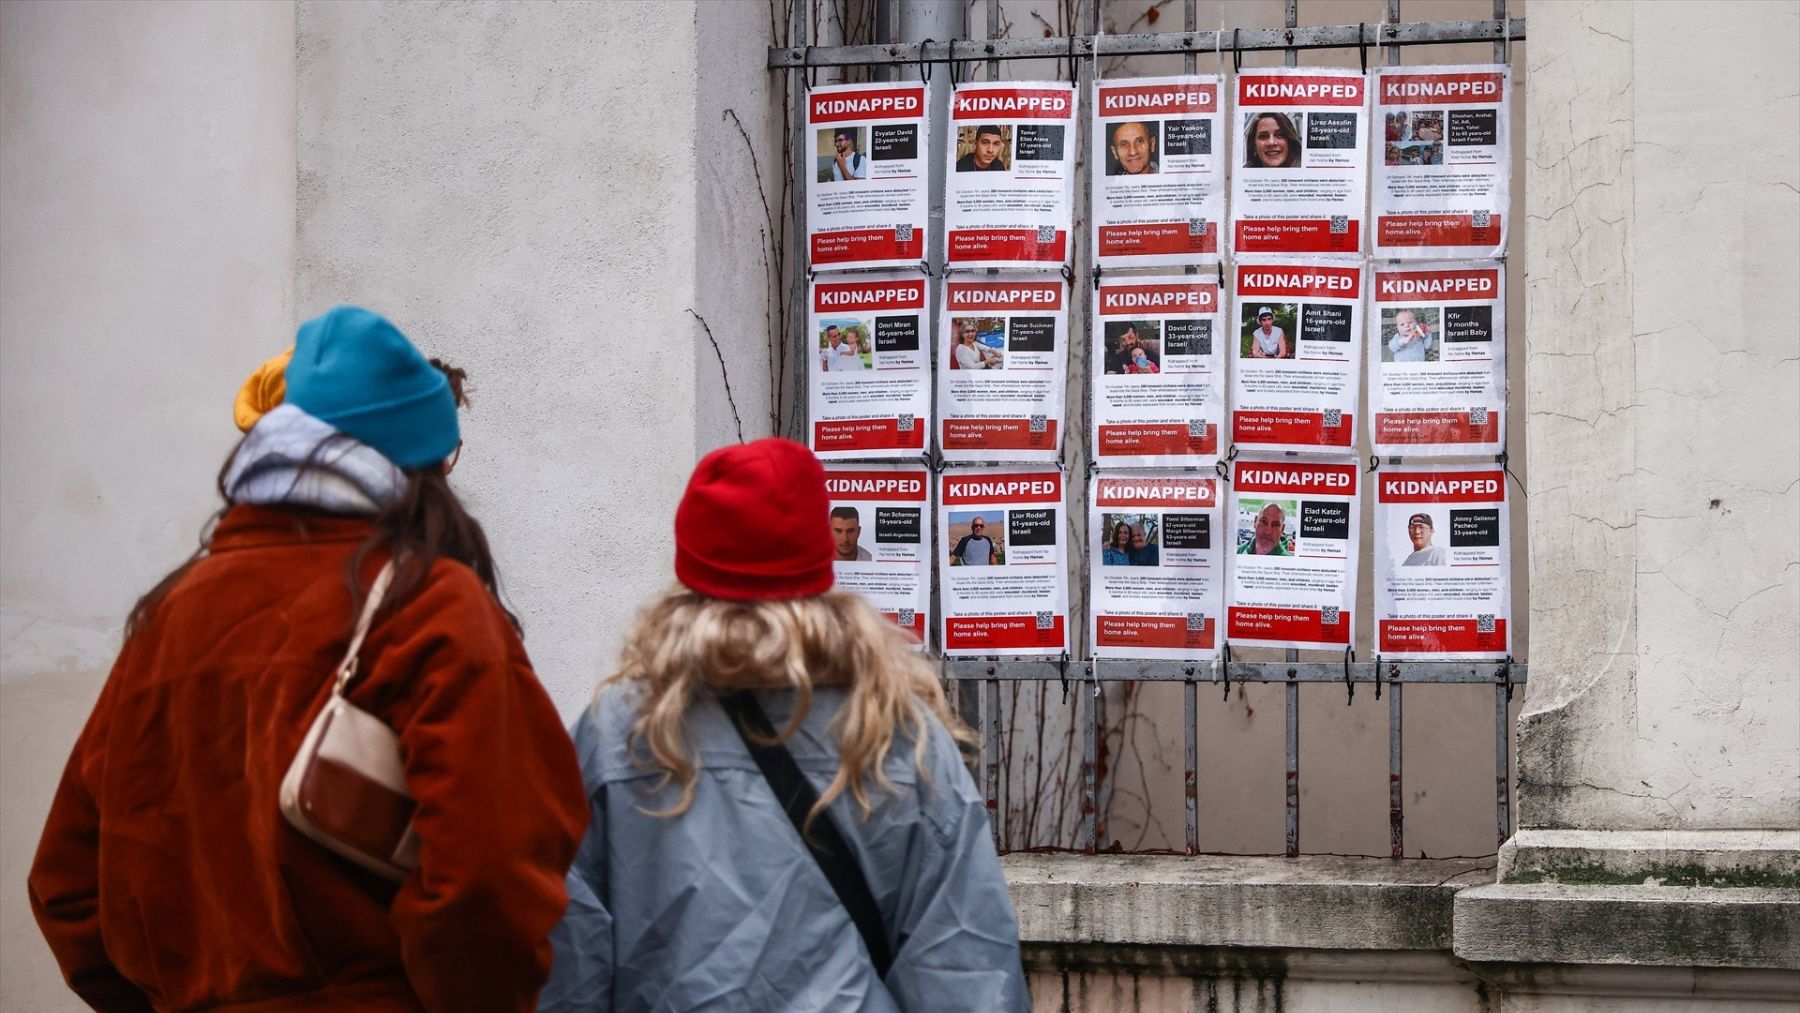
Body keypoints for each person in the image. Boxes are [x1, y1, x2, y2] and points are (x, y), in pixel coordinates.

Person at [28, 307, 588, 1012]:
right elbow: (487, 878)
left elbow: (69, 885)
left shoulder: (168, 616)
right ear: (420, 463)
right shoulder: (433, 606)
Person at [540, 439, 1029, 1012]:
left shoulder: (622, 732)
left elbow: (566, 964)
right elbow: (967, 972)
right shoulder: (894, 732)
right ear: (822, 566)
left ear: (690, 569)